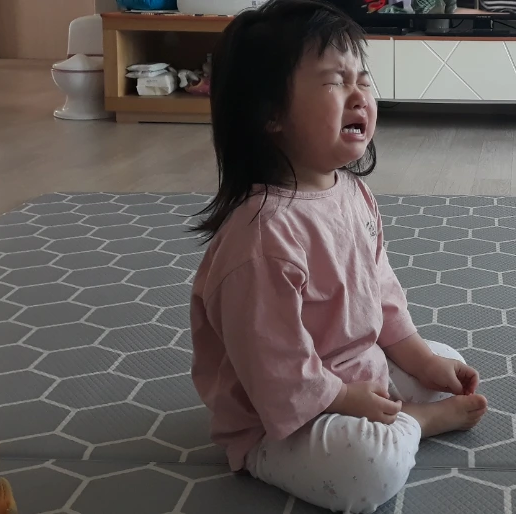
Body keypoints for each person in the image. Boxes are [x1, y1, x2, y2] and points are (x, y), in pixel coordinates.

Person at [189, 0, 489, 512]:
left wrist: (422, 359)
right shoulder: (261, 240)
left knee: (448, 367)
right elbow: (277, 369)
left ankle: (404, 413)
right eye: (335, 81)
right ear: (271, 114)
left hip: (355, 370)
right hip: (280, 420)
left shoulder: (352, 193)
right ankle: (414, 423)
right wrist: (350, 401)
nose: (359, 95)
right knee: (370, 468)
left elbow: (382, 294)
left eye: (363, 79)